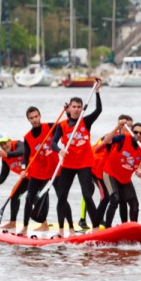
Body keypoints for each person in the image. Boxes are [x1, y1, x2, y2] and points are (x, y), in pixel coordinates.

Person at [50, 80, 103, 233]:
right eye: (74, 106)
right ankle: (65, 229)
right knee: (61, 197)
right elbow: (53, 143)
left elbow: (99, 110)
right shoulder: (62, 125)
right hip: (67, 165)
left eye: (79, 107)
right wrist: (59, 150)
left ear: (81, 109)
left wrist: (97, 92)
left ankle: (95, 228)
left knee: (87, 195)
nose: (77, 109)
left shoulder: (85, 122)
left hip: (84, 164)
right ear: (69, 108)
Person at [100, 120, 141, 227]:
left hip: (125, 179)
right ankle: (108, 228)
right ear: (132, 132)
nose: (138, 135)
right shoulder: (123, 138)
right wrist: (117, 127)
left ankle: (133, 227)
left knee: (134, 204)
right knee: (115, 200)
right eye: (136, 132)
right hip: (110, 173)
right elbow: (107, 140)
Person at [21, 106, 61, 234]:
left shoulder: (51, 127)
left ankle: (64, 228)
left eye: (36, 117)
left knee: (62, 198)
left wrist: (68, 112)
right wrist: (23, 169)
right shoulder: (27, 137)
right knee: (29, 199)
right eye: (31, 118)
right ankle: (25, 228)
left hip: (54, 170)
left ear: (40, 116)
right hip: (38, 172)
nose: (34, 120)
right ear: (28, 120)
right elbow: (25, 157)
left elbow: (67, 126)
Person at [0, 135, 28, 231]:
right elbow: (3, 175)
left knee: (33, 197)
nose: (4, 146)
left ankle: (44, 224)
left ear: (10, 141)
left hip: (38, 174)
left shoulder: (18, 144)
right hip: (27, 177)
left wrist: (8, 155)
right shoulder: (4, 158)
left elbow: (22, 151)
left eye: (5, 143)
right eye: (1, 145)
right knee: (14, 195)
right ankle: (12, 223)